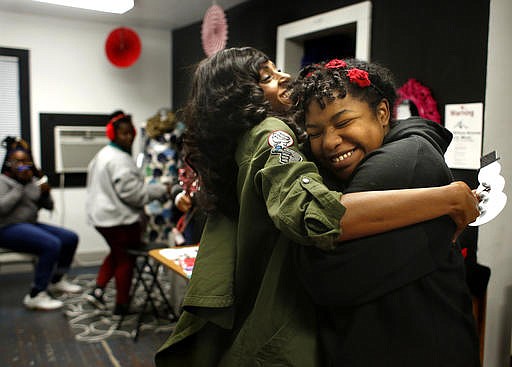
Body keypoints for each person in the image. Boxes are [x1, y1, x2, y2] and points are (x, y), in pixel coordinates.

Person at [154, 47, 479, 366]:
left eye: (277, 68)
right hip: (280, 329)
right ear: (239, 95)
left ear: (382, 113)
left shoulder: (237, 150)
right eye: (267, 76)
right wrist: (447, 198)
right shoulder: (272, 134)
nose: (284, 78)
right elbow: (316, 214)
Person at [289, 58, 480, 366]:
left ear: (381, 113)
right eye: (315, 132)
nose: (329, 142)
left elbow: (323, 275)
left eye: (342, 122)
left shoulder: (405, 160)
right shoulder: (373, 160)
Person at [85, 110, 170, 316]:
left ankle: (98, 290)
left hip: (102, 217)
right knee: (125, 260)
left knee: (117, 252)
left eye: (130, 133)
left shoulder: (104, 154)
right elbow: (134, 194)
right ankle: (121, 305)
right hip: (118, 220)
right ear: (113, 134)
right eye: (123, 134)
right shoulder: (119, 159)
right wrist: (162, 189)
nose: (129, 137)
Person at [0, 136, 81, 311]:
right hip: (6, 228)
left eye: (25, 161)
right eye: (18, 162)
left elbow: (49, 206)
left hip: (30, 225)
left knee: (70, 238)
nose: (23, 165)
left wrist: (45, 193)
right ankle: (36, 295)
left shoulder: (32, 181)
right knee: (51, 244)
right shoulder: (3, 181)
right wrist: (19, 186)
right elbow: (2, 209)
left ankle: (57, 280)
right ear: (9, 163)